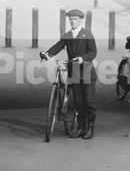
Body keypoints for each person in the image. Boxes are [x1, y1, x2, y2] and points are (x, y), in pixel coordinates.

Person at [40, 9, 98, 139]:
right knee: (78, 102)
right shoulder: (67, 35)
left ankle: (90, 129)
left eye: (75, 19)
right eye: (71, 19)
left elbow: (93, 52)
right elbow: (58, 46)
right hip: (74, 73)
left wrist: (83, 58)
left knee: (89, 102)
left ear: (80, 20)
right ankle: (82, 128)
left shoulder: (87, 34)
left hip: (87, 72)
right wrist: (47, 54)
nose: (73, 21)